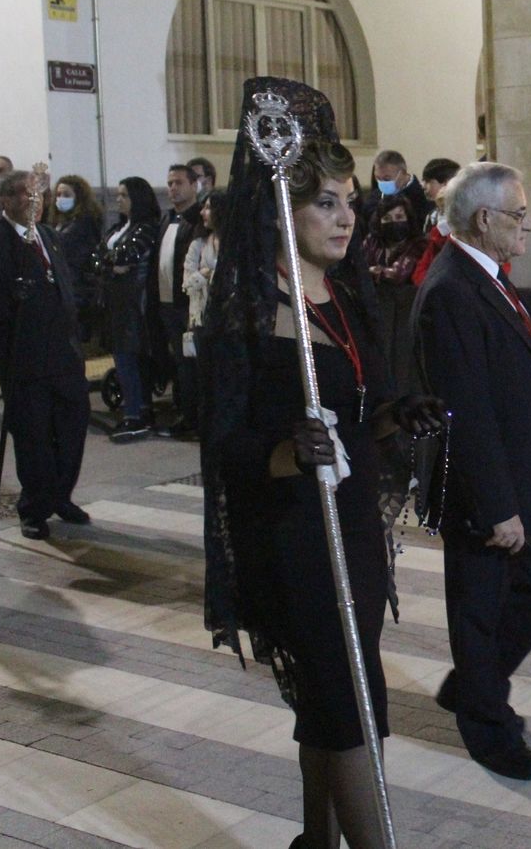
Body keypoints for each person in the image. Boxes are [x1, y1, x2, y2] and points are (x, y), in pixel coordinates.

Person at [203, 79, 444, 849]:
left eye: (350, 201)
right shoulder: (248, 309)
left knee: (332, 700)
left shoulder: (342, 296)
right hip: (293, 540)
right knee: (350, 707)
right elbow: (221, 441)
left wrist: (391, 416)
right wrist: (282, 451)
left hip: (352, 532)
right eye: (328, 204)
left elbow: (356, 412)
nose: (349, 218)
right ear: (280, 210)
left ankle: (316, 841)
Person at [413, 160, 531, 781]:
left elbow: (514, 366)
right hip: (493, 492)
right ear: (484, 218)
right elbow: (466, 406)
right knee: (481, 607)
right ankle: (490, 730)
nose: (528, 225)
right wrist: (497, 505)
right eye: (519, 215)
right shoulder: (450, 292)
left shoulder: (488, 277)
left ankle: (475, 685)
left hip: (529, 481)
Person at [0, 170, 91, 538]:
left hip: (64, 355)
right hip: (23, 359)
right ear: (6, 200)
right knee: (33, 439)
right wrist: (8, 298)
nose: (36, 203)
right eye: (26, 197)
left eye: (39, 196)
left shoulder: (49, 236)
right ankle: (34, 507)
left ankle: (61, 495)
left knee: (72, 430)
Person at [99, 178, 162, 441]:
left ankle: (136, 412)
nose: (119, 199)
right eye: (118, 194)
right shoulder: (118, 227)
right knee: (123, 355)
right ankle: (135, 408)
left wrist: (110, 262)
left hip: (134, 302)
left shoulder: (146, 228)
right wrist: (109, 265)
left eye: (124, 195)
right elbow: (97, 257)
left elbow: (129, 256)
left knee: (130, 357)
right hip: (116, 301)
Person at [152, 164, 202, 438]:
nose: (173, 188)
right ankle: (183, 411)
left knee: (192, 364)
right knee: (179, 364)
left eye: (179, 182)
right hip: (167, 303)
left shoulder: (197, 221)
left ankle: (193, 416)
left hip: (187, 304)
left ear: (194, 185)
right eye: (170, 183)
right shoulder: (168, 219)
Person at [49, 175, 105, 339]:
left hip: (78, 287)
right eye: (58, 195)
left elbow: (74, 257)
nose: (60, 199)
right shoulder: (61, 222)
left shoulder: (83, 224)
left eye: (66, 195)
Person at [183, 186, 223, 339]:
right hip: (202, 319)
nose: (202, 213)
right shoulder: (198, 245)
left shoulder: (234, 246)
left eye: (208, 208)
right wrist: (202, 274)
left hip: (227, 318)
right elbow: (187, 284)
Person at [364, 193, 426, 285]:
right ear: (379, 221)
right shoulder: (372, 241)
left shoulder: (418, 245)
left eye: (399, 217)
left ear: (408, 218)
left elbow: (398, 275)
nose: (393, 222)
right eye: (387, 218)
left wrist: (369, 271)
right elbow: (357, 268)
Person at [370, 150, 430, 226]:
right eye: (378, 178)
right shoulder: (375, 196)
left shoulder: (422, 196)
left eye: (387, 179)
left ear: (402, 173)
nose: (382, 183)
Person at [419, 158, 460, 232]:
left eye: (428, 181)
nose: (423, 186)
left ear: (447, 183)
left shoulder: (461, 217)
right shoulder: (432, 215)